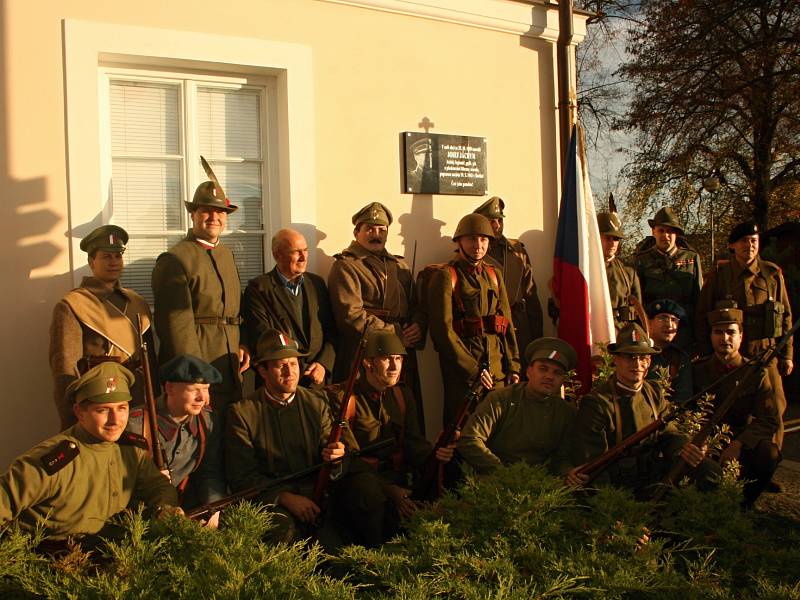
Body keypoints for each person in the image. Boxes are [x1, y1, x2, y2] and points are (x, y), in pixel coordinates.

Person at [0, 363, 180, 541]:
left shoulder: (131, 449)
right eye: (103, 410)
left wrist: (164, 509)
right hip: (45, 559)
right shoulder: (56, 460)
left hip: (103, 555)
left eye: (122, 408)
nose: (115, 420)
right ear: (80, 412)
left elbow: (159, 486)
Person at [326, 330, 454, 547]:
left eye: (398, 359)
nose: (395, 367)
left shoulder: (402, 394)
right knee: (371, 496)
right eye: (386, 359)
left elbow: (414, 443)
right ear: (367, 363)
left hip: (397, 474)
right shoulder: (343, 398)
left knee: (449, 470)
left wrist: (439, 455)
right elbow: (351, 460)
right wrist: (392, 492)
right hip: (362, 482)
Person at [224, 329, 345, 544]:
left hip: (317, 500)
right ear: (262, 371)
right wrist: (284, 498)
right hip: (271, 504)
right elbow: (241, 478)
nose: (290, 372)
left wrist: (336, 459)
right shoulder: (243, 413)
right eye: (281, 366)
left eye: (294, 364)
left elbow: (332, 460)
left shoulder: (316, 403)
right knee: (284, 536)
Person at [573, 323, 718, 497]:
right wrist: (610, 500)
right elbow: (595, 461)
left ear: (649, 361)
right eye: (630, 357)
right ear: (616, 360)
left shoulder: (653, 392)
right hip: (618, 481)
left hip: (654, 472)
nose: (637, 364)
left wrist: (685, 449)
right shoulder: (597, 403)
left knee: (709, 471)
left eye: (643, 357)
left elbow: (669, 433)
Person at [151, 174, 250, 415]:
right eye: (206, 211)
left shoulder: (227, 255)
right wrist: (195, 380)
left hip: (229, 364)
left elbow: (235, 309)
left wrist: (243, 342)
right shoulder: (175, 259)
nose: (214, 217)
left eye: (220, 212)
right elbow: (176, 326)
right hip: (198, 367)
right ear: (193, 214)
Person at [695, 220, 792, 450]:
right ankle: (727, 462)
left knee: (775, 408)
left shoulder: (772, 274)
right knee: (728, 409)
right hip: (731, 357)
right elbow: (702, 314)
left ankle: (769, 463)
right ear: (732, 246)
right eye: (743, 241)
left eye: (753, 241)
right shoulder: (720, 275)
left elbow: (785, 315)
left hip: (764, 355)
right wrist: (708, 352)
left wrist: (787, 354)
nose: (749, 245)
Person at [49, 225, 155, 429]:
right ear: (91, 261)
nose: (114, 263)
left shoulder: (137, 302)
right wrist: (72, 421)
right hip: (100, 402)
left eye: (118, 256)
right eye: (106, 257)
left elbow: (151, 363)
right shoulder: (73, 304)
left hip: (138, 401)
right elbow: (65, 371)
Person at [427, 213, 520, 426]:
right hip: (463, 373)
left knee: (497, 428)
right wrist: (473, 370)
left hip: (496, 369)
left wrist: (514, 365)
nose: (478, 245)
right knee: (461, 430)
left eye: (483, 239)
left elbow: (506, 323)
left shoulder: (494, 274)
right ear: (459, 242)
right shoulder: (446, 276)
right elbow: (443, 332)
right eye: (471, 239)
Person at [693, 303, 780, 506]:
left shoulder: (755, 373)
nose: (725, 338)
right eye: (718, 332)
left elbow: (769, 419)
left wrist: (740, 444)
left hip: (740, 441)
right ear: (711, 336)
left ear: (741, 336)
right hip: (704, 440)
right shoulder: (696, 370)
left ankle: (744, 504)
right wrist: (699, 439)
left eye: (731, 332)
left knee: (769, 452)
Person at [327, 202, 423, 382]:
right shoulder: (346, 266)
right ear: (357, 233)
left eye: (382, 230)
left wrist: (418, 326)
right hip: (365, 353)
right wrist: (395, 334)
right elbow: (351, 316)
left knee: (402, 406)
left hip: (401, 355)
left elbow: (416, 306)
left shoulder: (400, 265)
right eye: (370, 229)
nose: (376, 235)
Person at [457, 338, 578, 480]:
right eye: (543, 369)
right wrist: (503, 472)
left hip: (541, 484)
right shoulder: (501, 399)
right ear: (529, 372)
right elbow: (470, 439)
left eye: (557, 373)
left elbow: (561, 458)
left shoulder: (566, 412)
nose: (549, 376)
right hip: (495, 480)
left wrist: (569, 473)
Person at [126, 354, 226, 509]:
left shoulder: (207, 421)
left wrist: (213, 507)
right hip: (140, 513)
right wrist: (148, 483)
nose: (202, 398)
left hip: (184, 509)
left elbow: (209, 472)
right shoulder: (136, 425)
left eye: (206, 389)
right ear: (169, 388)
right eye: (195, 390)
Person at [242, 228, 336, 387]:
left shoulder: (317, 284)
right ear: (277, 255)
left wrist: (323, 364)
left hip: (317, 380)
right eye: (296, 252)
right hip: (281, 381)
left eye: (306, 250)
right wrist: (297, 369)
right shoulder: (258, 289)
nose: (303, 257)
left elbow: (331, 330)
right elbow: (263, 337)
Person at [473, 196, 544, 359]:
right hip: (491, 326)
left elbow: (531, 294)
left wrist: (538, 336)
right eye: (491, 221)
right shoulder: (474, 254)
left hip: (520, 324)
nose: (497, 226)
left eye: (499, 220)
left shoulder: (517, 250)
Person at [633, 207, 703, 351]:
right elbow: (639, 301)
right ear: (653, 232)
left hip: (683, 329)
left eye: (670, 231)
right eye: (661, 231)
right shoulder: (642, 261)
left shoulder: (691, 258)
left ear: (676, 234)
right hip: (654, 330)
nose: (666, 235)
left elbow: (698, 298)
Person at [596, 212, 643, 332]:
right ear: (596, 236)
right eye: (607, 237)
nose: (612, 243)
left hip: (621, 333)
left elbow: (638, 310)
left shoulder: (628, 273)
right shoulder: (584, 271)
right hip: (592, 331)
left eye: (616, 239)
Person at [645, 299, 692, 404]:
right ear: (649, 322)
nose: (669, 325)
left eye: (674, 320)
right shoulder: (637, 353)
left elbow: (683, 398)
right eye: (663, 318)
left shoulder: (679, 358)